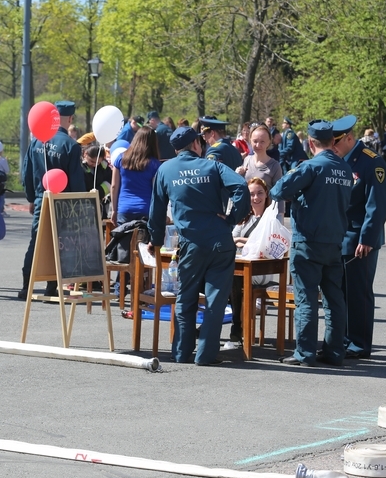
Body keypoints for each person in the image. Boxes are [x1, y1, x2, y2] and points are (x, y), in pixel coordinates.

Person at [147, 126, 250, 365]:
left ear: (175, 149)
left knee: (186, 298)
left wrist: (156, 240)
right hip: (219, 241)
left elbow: (157, 210)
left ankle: (182, 353)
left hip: (191, 244)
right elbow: (241, 187)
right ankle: (206, 355)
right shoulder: (212, 166)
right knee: (215, 300)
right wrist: (233, 218)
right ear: (196, 144)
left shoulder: (165, 169)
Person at [270, 120, 352, 367]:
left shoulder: (311, 166)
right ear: (332, 141)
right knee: (334, 300)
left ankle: (305, 353)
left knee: (306, 298)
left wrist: (299, 195)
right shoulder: (345, 169)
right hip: (334, 241)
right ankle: (335, 351)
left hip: (308, 241)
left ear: (310, 142)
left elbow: (277, 190)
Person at [332, 115, 386, 360]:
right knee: (341, 293)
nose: (331, 147)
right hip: (339, 237)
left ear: (349, 138)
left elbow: (376, 205)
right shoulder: (337, 160)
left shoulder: (371, 162)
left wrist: (366, 238)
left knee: (358, 292)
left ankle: (359, 344)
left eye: (335, 142)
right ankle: (343, 339)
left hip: (360, 239)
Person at [19, 100, 86, 300]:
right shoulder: (71, 145)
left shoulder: (37, 141)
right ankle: (51, 286)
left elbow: (27, 174)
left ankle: (26, 285)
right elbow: (76, 180)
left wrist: (32, 198)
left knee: (37, 242)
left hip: (41, 198)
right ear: (70, 118)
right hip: (63, 202)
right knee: (60, 244)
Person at [229, 177, 273, 342]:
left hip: (263, 268)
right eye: (252, 194)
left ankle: (236, 327)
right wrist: (247, 242)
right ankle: (235, 327)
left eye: (259, 193)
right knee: (224, 278)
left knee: (232, 279)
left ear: (266, 194)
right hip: (241, 265)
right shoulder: (244, 217)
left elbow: (267, 243)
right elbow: (231, 238)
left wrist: (242, 241)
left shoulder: (271, 218)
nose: (256, 198)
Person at [111, 126, 161, 224]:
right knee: (144, 239)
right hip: (145, 209)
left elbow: (114, 186)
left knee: (125, 239)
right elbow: (156, 192)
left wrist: (114, 210)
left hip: (124, 209)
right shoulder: (154, 164)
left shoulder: (120, 159)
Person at [235, 124, 283, 188]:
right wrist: (237, 175)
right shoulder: (247, 160)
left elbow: (278, 194)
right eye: (255, 141)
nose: (258, 145)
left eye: (262, 142)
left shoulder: (275, 166)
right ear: (250, 141)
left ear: (269, 142)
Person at [82, 145, 112, 219]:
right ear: (85, 154)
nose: (95, 165)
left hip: (99, 201)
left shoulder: (104, 166)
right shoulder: (79, 166)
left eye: (98, 163)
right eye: (92, 161)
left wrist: (99, 192)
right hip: (83, 203)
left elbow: (110, 180)